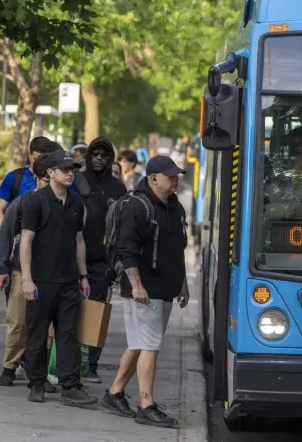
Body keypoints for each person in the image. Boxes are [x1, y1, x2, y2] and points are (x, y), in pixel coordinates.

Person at [101, 155, 189, 428]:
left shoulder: (175, 207)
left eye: (176, 176)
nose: (175, 180)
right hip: (144, 290)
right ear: (153, 178)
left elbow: (177, 249)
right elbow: (128, 250)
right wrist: (137, 285)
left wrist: (183, 283)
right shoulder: (137, 206)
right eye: (170, 176)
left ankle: (114, 392)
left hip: (166, 287)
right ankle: (146, 404)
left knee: (141, 344)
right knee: (151, 346)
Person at [19, 150, 96, 407]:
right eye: (65, 169)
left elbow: (79, 240)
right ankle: (37, 383)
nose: (70, 173)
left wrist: (83, 275)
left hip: (68, 282)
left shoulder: (76, 204)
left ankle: (71, 385)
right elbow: (26, 242)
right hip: (40, 281)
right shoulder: (35, 201)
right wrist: (27, 279)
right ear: (50, 173)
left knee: (68, 333)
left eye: (72, 169)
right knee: (37, 334)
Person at [0, 154, 56, 394]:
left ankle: (36, 371)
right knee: (17, 321)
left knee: (44, 328)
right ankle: (9, 366)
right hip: (20, 271)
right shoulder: (21, 203)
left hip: (51, 275)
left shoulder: (64, 203)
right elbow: (6, 234)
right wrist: (1, 267)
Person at [74, 137, 127, 383]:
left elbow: (123, 228)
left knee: (95, 313)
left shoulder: (118, 189)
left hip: (102, 262)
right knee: (66, 311)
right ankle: (64, 363)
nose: (98, 159)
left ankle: (90, 365)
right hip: (71, 258)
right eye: (94, 154)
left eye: (104, 155)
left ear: (110, 158)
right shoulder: (75, 180)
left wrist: (115, 265)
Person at [0, 136, 56, 228]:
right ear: (30, 156)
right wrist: (8, 235)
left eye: (44, 159)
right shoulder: (14, 177)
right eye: (36, 159)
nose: (40, 162)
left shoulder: (58, 178)